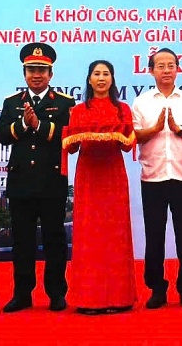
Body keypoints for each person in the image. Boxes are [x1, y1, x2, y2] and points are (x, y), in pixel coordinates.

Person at [0, 43, 75, 312]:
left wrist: (39, 125)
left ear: (51, 74)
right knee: (22, 241)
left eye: (42, 70)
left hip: (51, 181)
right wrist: (22, 124)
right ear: (24, 73)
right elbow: (2, 136)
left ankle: (56, 293)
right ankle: (22, 294)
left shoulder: (64, 102)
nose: (37, 75)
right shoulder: (11, 103)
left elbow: (67, 137)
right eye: (31, 70)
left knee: (54, 239)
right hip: (21, 182)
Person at [132, 47, 182, 310]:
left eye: (170, 65)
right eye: (160, 66)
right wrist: (154, 129)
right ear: (150, 70)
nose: (166, 70)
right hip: (152, 176)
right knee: (154, 236)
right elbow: (134, 137)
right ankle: (157, 288)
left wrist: (178, 129)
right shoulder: (141, 102)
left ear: (178, 69)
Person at [65, 60, 137, 314]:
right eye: (97, 74)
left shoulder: (122, 109)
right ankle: (89, 299)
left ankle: (119, 298)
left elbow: (127, 146)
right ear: (89, 79)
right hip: (88, 176)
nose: (102, 78)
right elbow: (71, 147)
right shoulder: (78, 110)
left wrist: (121, 134)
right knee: (89, 235)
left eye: (106, 73)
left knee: (115, 233)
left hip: (113, 174)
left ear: (112, 79)